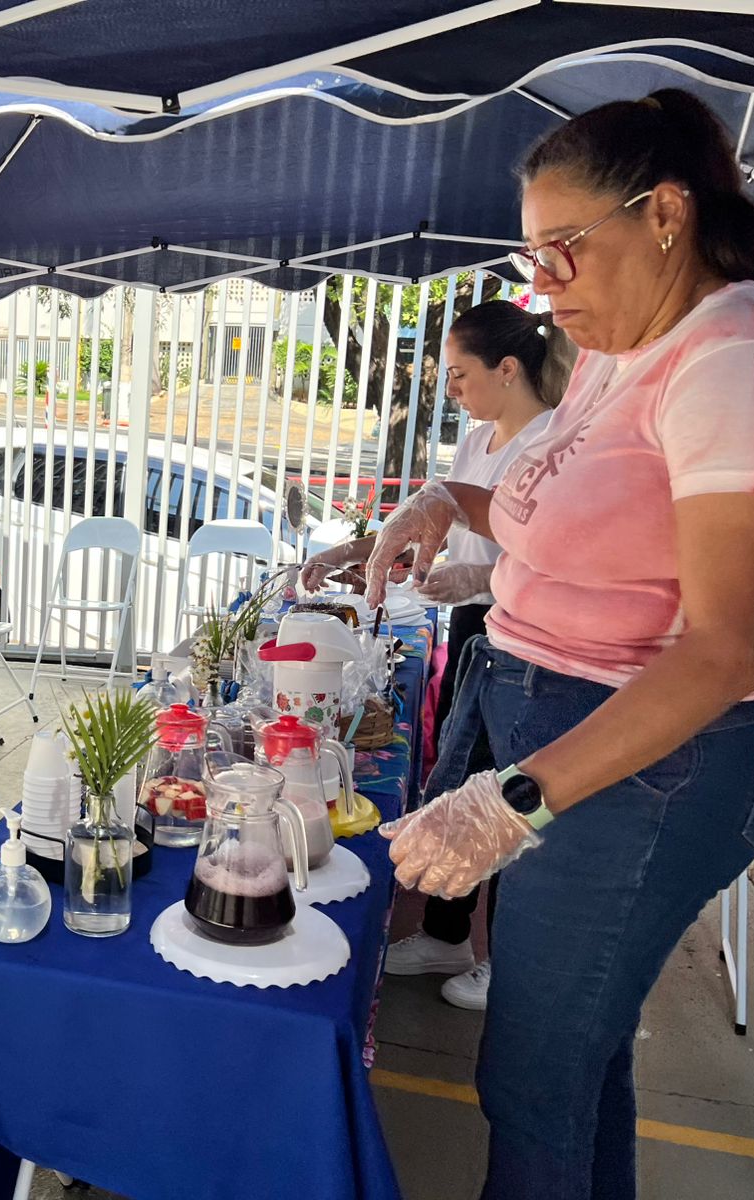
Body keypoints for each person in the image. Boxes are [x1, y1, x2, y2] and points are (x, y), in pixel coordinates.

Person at [361, 90, 754, 1200]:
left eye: (564, 251)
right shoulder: (624, 349)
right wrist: (445, 499)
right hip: (574, 735)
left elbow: (724, 648)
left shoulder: (740, 363)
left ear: (665, 212)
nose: (545, 289)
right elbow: (568, 517)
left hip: (650, 763)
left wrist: (507, 802)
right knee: (576, 1069)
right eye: (533, 256)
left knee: (532, 1083)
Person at [304, 300, 571, 1010]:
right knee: (462, 779)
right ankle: (450, 933)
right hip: (476, 630)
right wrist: (362, 551)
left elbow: (551, 557)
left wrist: (480, 579)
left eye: (460, 374)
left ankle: (505, 962)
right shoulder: (480, 443)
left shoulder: (549, 446)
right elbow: (441, 529)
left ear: (507, 368)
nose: (450, 388)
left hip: (526, 633)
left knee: (509, 795)